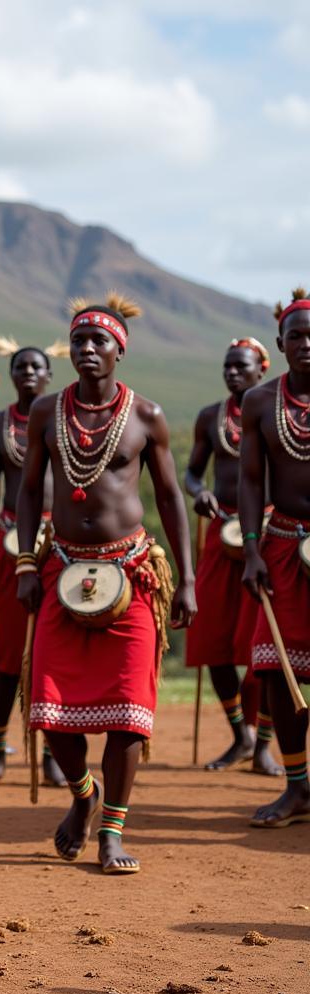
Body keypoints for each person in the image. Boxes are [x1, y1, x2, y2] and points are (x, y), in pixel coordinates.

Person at [17, 292, 195, 875]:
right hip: (60, 567)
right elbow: (27, 492)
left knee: (128, 712)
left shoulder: (147, 416)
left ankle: (111, 832)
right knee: (48, 706)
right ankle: (83, 794)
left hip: (133, 571)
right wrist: (24, 564)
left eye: (99, 341)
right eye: (78, 341)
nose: (86, 350)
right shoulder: (47, 412)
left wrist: (187, 579)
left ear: (120, 350)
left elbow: (169, 497)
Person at [0, 339, 65, 786]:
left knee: (51, 652)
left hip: (60, 548)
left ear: (49, 375)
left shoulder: (64, 418)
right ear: (11, 375)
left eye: (36, 367)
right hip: (8, 544)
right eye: (21, 366)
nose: (28, 372)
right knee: (5, 657)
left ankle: (51, 752)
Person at [185, 339, 281, 774]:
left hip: (266, 537)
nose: (232, 372)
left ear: (262, 368)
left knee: (264, 645)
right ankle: (240, 734)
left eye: (241, 366)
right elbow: (192, 471)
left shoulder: (277, 412)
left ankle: (264, 743)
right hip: (219, 535)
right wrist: (198, 491)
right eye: (226, 366)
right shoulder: (210, 417)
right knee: (212, 639)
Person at [241, 288, 310, 828]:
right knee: (275, 670)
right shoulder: (261, 403)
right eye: (297, 336)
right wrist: (251, 550)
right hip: (281, 543)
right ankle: (296, 786)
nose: (306, 344)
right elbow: (249, 480)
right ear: (280, 344)